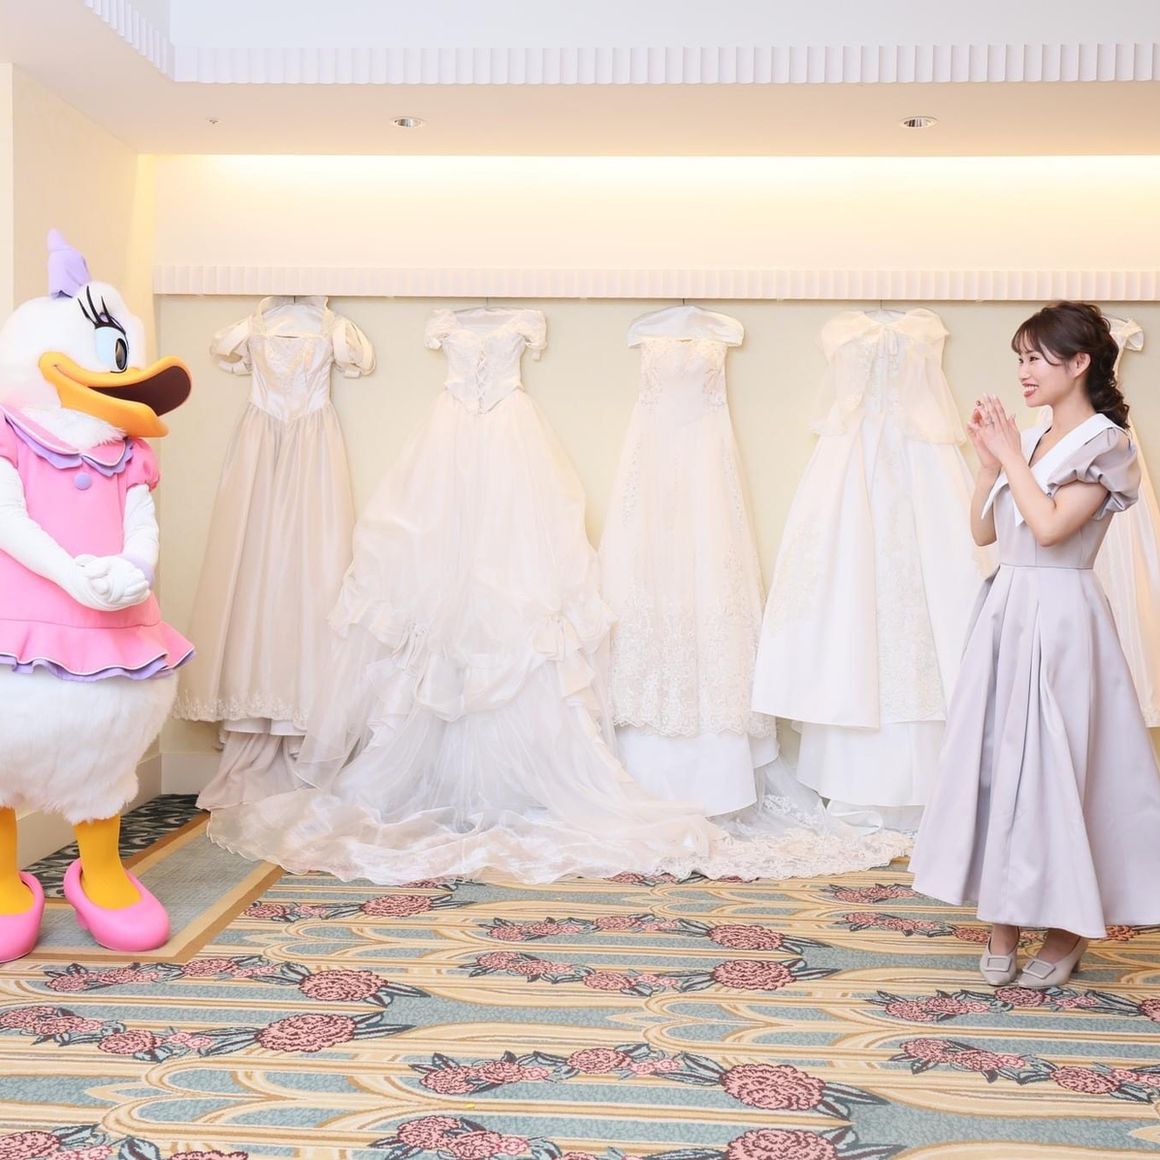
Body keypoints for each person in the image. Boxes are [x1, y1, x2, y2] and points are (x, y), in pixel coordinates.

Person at [910, 301, 1160, 989]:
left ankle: (1069, 925)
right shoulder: (1031, 438)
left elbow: (1050, 527)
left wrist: (1011, 457)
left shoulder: (1108, 443)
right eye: (1019, 358)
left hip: (1063, 617)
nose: (1022, 371)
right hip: (1008, 610)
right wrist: (987, 465)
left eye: (1035, 358)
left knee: (1060, 769)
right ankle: (1003, 915)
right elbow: (984, 532)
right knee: (999, 763)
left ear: (1079, 363)